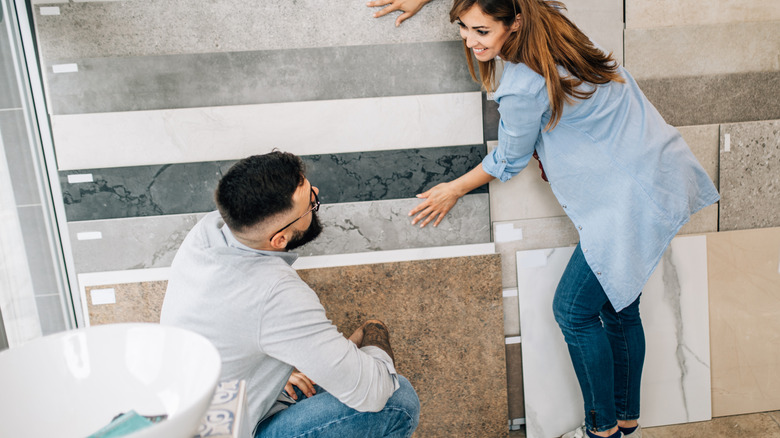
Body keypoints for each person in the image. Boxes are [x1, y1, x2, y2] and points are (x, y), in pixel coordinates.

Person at [398, 1, 720, 438]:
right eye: (462, 26)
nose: (469, 40)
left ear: (513, 25)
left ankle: (601, 430)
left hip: (628, 197)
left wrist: (453, 188)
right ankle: (625, 425)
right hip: (660, 171)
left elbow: (509, 159)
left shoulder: (521, 85)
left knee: (572, 311)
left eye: (480, 30)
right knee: (620, 306)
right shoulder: (559, 31)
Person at [160, 151, 420, 438]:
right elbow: (375, 392)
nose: (316, 195)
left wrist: (271, 371)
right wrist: (373, 334)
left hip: (192, 412)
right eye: (312, 204)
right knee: (399, 402)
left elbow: (234, 327)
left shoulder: (208, 232)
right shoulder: (273, 291)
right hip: (229, 431)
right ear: (279, 239)